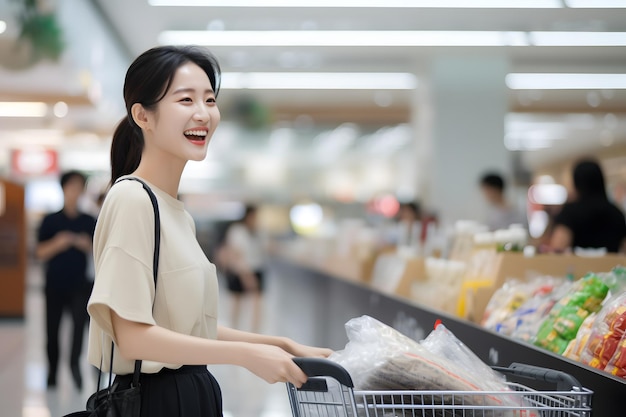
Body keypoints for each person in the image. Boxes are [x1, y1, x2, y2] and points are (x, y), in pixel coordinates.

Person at [86, 45, 331, 417]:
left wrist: (279, 344)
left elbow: (188, 328)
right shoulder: (133, 200)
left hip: (192, 393)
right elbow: (133, 337)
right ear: (143, 116)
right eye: (185, 100)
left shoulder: (176, 213)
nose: (203, 114)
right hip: (157, 402)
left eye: (210, 100)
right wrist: (245, 355)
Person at [36, 170, 97, 389]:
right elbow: (40, 252)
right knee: (52, 331)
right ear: (63, 188)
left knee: (79, 330)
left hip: (81, 286)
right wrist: (59, 242)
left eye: (79, 186)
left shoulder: (89, 221)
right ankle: (52, 372)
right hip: (54, 285)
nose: (75, 191)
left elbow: (100, 251)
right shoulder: (50, 220)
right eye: (71, 186)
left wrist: (84, 244)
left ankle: (75, 369)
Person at [550, 159, 626, 253]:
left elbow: (558, 248)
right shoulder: (616, 213)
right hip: (609, 267)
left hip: (577, 267)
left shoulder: (569, 212)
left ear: (576, 183)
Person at [223, 204, 266, 332]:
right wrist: (246, 276)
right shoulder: (237, 231)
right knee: (236, 303)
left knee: (257, 305)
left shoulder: (258, 232)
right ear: (248, 216)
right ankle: (234, 332)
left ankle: (255, 333)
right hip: (240, 271)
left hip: (256, 269)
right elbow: (236, 255)